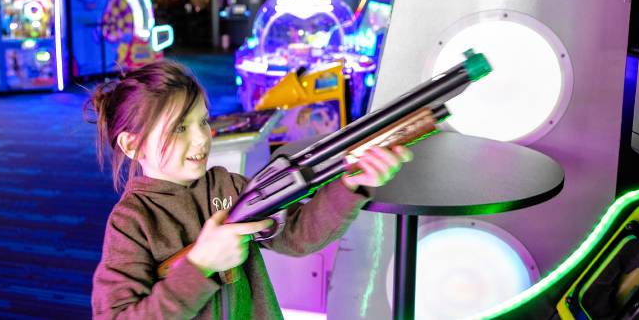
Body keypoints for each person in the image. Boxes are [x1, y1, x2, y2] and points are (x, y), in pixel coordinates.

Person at [88, 60, 412, 319]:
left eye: (202, 121)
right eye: (180, 129)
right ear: (132, 144)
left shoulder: (228, 186)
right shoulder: (131, 222)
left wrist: (350, 184)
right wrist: (200, 266)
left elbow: (297, 235)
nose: (201, 138)